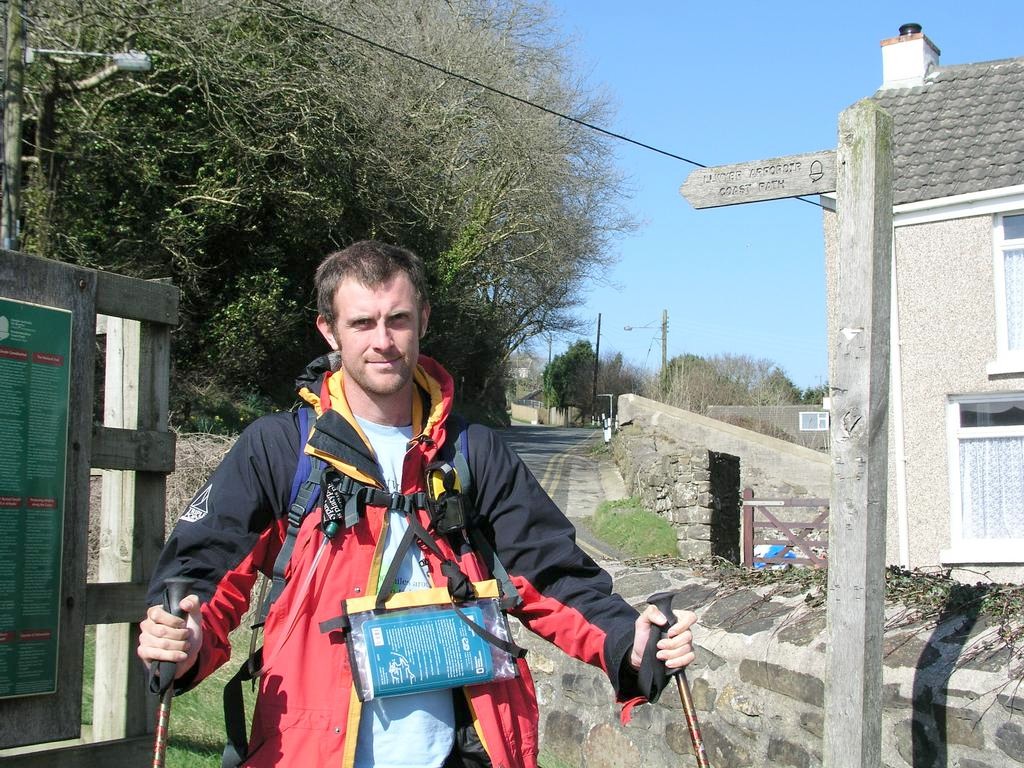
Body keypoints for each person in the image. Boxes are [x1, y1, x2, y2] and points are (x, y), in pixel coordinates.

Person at [137, 240, 696, 768]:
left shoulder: (473, 452)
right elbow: (201, 576)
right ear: (328, 331)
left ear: (423, 320)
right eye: (361, 323)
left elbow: (552, 576)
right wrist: (184, 641)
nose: (382, 339)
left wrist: (629, 638)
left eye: (397, 319)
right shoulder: (281, 449)